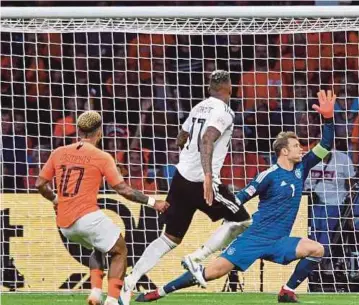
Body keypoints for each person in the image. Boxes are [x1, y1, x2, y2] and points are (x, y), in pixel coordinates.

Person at [137, 90, 336, 303]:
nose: (302, 149)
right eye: (296, 146)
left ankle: (286, 291)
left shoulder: (302, 168)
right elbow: (242, 196)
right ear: (284, 151)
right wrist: (226, 212)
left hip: (279, 240)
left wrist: (328, 118)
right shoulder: (268, 176)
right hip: (253, 238)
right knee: (212, 272)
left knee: (316, 249)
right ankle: (159, 292)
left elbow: (325, 145)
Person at [120, 70, 252, 304]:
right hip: (203, 181)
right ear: (229, 88)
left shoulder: (199, 107)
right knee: (241, 220)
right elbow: (207, 139)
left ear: (209, 88)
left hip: (181, 178)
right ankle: (197, 257)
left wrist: (186, 155)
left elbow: (181, 137)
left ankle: (130, 281)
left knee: (169, 238)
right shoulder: (225, 112)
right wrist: (209, 176)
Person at [35, 111, 169, 305]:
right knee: (120, 250)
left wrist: (56, 200)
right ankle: (112, 301)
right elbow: (123, 189)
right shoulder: (102, 157)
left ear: (79, 131)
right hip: (86, 216)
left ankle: (96, 293)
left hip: (64, 224)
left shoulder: (59, 152)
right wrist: (153, 202)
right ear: (99, 132)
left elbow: (40, 183)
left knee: (99, 246)